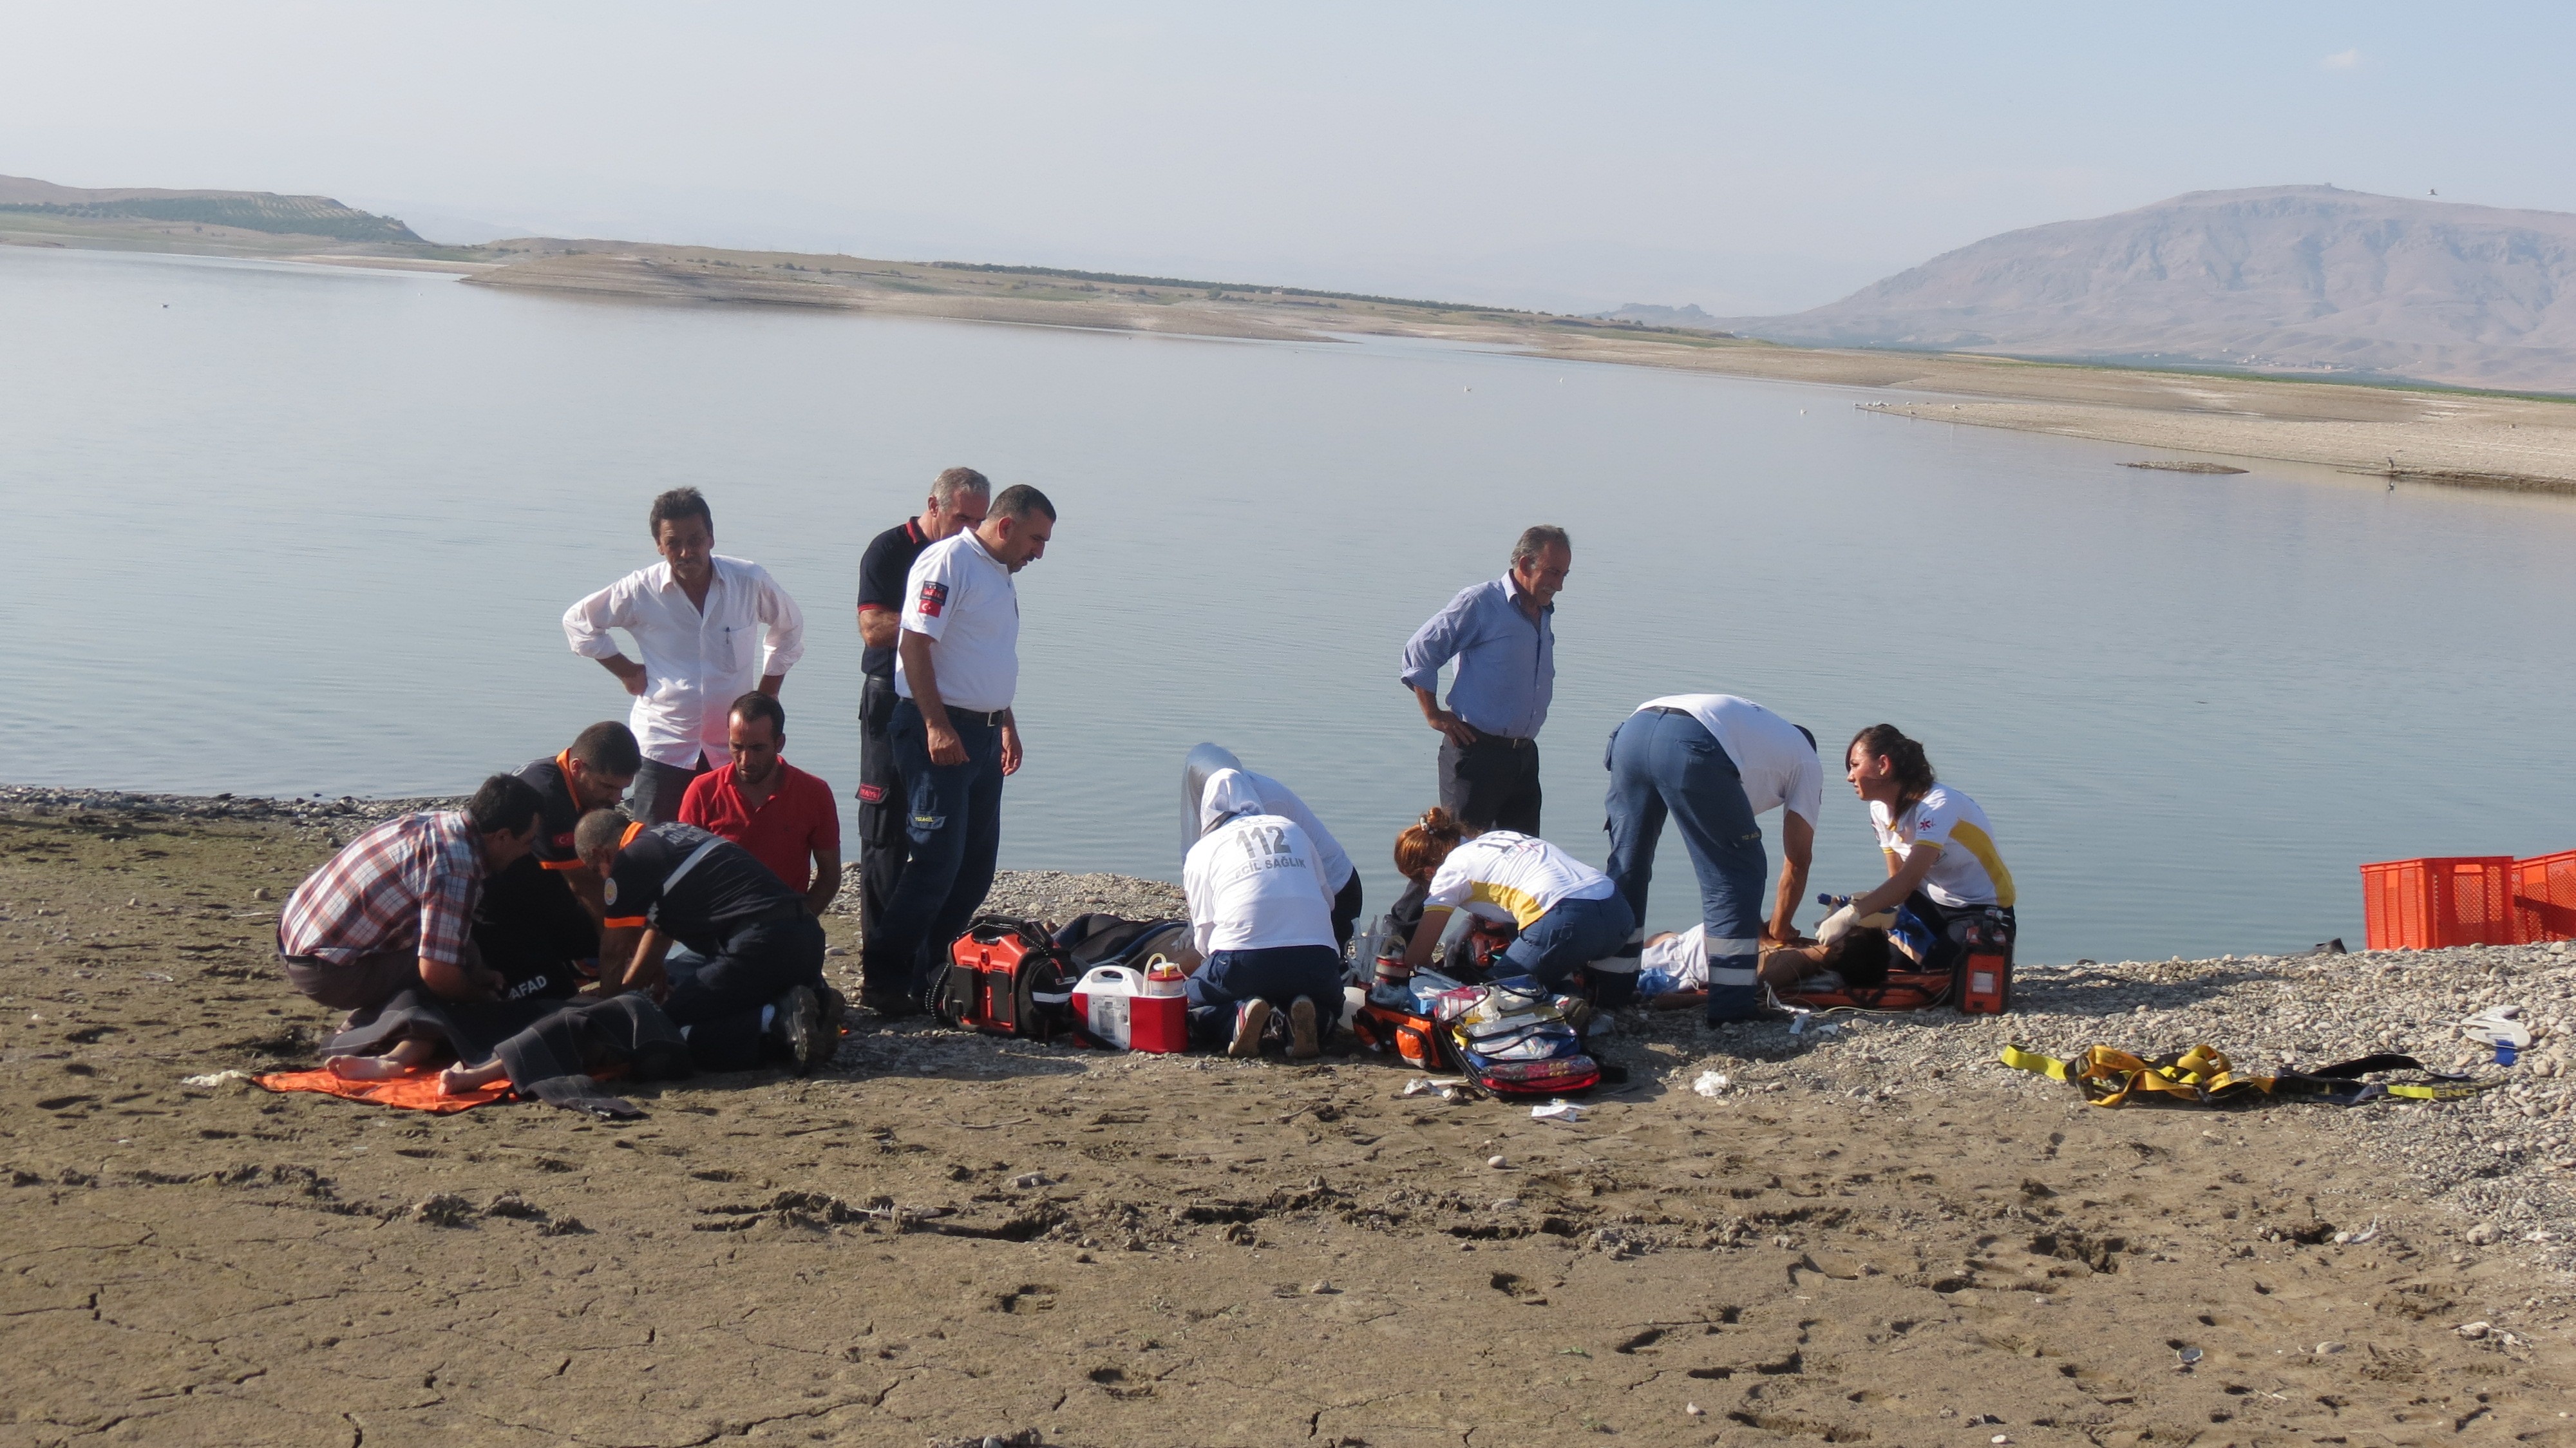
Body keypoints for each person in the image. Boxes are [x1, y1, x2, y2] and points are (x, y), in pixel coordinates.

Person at [865, 482, 1055, 1011]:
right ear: (1007, 525)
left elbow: (982, 657)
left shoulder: (997, 573)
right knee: (933, 863)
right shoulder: (948, 561)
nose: (1038, 553)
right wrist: (936, 724)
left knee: (974, 868)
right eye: (1036, 540)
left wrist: (1006, 721)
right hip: (940, 731)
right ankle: (883, 977)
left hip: (984, 731)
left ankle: (930, 971)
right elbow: (913, 642)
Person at [563, 487, 807, 824]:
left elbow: (790, 629)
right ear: (659, 545)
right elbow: (578, 621)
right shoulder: (640, 590)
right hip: (664, 745)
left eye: (694, 540)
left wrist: (768, 692)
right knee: (653, 847)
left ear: (711, 538)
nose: (685, 551)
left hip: (732, 749)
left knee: (731, 844)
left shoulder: (748, 581)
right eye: (673, 542)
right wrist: (624, 670)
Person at [1604, 694, 1822, 1023]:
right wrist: (1779, 928)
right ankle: (1732, 1005)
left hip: (1634, 731)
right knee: (1736, 874)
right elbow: (1798, 859)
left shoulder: (1757, 737)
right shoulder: (1806, 761)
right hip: (1694, 741)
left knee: (1627, 866)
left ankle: (1608, 990)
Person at [574, 808, 834, 1074]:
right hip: (806, 939)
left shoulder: (629, 859)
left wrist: (608, 1011)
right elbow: (661, 931)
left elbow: (613, 950)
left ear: (600, 854)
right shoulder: (673, 833)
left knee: (665, 1028)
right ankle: (819, 1006)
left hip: (760, 946)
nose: (604, 877)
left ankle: (776, 1019)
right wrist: (633, 985)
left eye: (598, 871)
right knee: (713, 1004)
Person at [854, 468, 992, 966]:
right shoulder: (890, 550)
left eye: (979, 521)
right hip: (890, 697)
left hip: (952, 697)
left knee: (944, 834)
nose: (969, 531)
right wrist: (930, 626)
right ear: (933, 507)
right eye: (961, 518)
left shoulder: (975, 561)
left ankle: (926, 956)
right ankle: (878, 952)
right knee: (885, 825)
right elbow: (872, 628)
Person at [276, 775, 544, 1014]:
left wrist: (474, 971)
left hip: (295, 933)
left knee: (464, 950)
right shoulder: (458, 866)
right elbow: (438, 974)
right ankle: (376, 1026)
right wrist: (480, 999)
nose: (527, 852)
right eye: (528, 842)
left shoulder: (440, 822)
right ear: (502, 837)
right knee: (446, 979)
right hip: (325, 972)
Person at [1803, 724, 2016, 987]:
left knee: (1934, 979)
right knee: (1882, 971)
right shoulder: (1879, 810)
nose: (1849, 777)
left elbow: (1907, 879)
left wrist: (1851, 915)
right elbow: (1898, 881)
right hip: (1928, 902)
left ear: (1883, 764)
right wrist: (1870, 910)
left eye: (1855, 765)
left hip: (1981, 908)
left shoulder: (1938, 805)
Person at [1397, 525, 1570, 836]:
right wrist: (1434, 715)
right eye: (1553, 573)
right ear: (1524, 565)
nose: (1558, 585)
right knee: (1458, 859)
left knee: (1521, 865)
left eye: (1564, 576)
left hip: (1524, 759)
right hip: (1477, 756)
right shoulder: (1480, 603)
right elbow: (1421, 649)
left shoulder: (1542, 612)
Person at [1392, 807, 1636, 1005]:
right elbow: (1511, 886)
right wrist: (1470, 921)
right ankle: (1565, 980)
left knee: (1491, 1000)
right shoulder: (1501, 837)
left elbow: (1417, 957)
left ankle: (1564, 999)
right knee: (1529, 927)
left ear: (1428, 871)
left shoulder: (1448, 873)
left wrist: (1437, 976)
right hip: (1618, 913)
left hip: (1568, 923)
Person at [473, 720, 642, 1001]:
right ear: (578, 768)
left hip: (541, 898)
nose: (617, 799)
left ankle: (577, 963)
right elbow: (588, 889)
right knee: (555, 997)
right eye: (608, 787)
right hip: (500, 916)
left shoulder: (574, 784)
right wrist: (623, 956)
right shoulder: (549, 794)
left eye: (623, 789)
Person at [1182, 769, 1344, 1060]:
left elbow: (1203, 937)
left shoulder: (1202, 850)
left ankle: (1239, 1017)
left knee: (1192, 1003)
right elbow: (1328, 901)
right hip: (1316, 957)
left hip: (1244, 961)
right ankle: (1309, 1019)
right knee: (1332, 1006)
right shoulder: (1291, 828)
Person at [1181, 743, 1362, 949]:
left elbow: (1270, 871)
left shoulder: (1268, 802)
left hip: (1336, 890)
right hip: (1297, 892)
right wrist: (1195, 919)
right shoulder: (1218, 795)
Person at [679, 692, 843, 917]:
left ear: (779, 743)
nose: (746, 760)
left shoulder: (815, 793)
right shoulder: (702, 791)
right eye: (737, 747)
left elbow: (830, 876)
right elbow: (683, 871)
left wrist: (800, 922)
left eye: (757, 748)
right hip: (719, 927)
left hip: (784, 926)